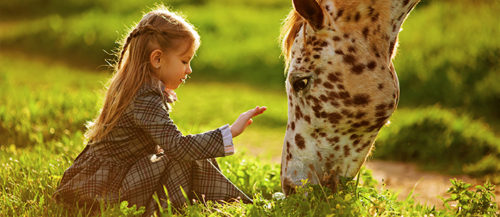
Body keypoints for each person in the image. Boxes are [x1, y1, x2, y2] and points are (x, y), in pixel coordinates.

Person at [53, 5, 266, 215]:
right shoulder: (144, 97)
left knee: (191, 151)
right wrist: (231, 132)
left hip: (106, 177)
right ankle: (231, 207)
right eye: (184, 61)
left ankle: (228, 204)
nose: (189, 70)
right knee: (185, 156)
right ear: (157, 59)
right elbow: (178, 147)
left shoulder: (134, 85)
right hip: (106, 190)